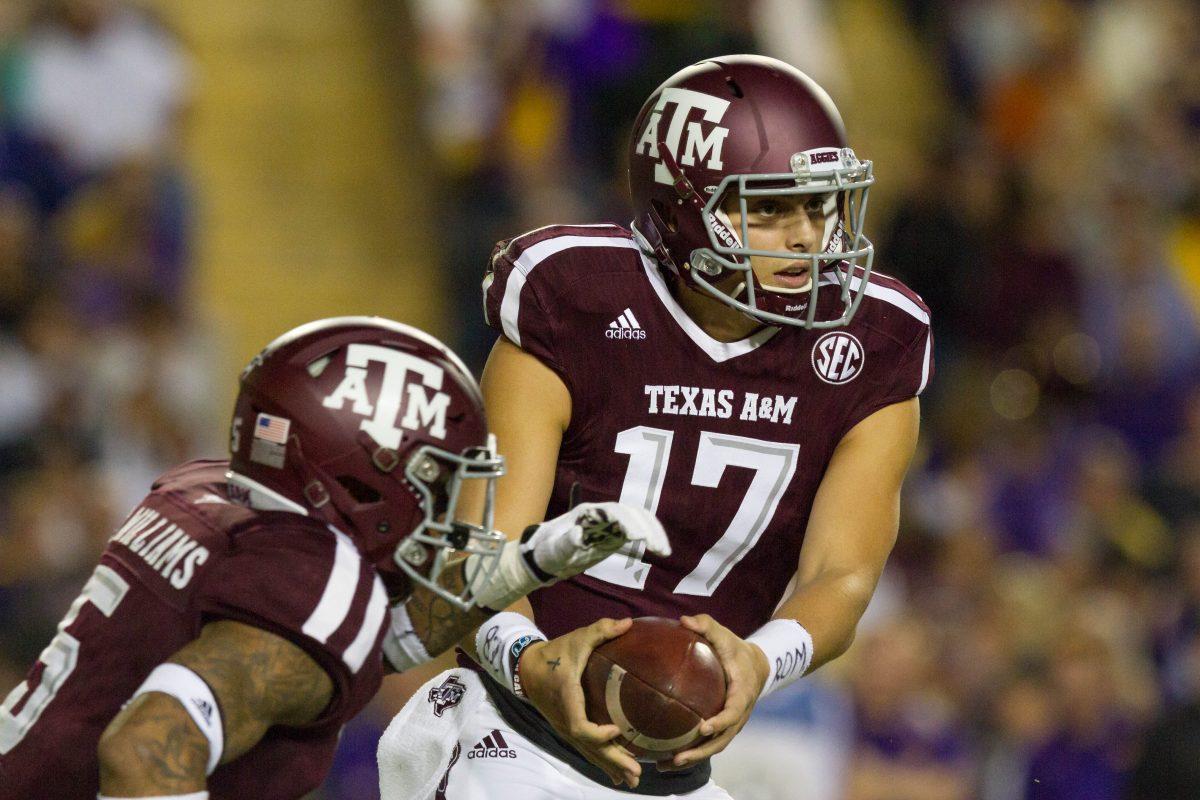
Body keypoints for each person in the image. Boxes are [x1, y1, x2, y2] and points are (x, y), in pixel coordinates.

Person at [379, 54, 933, 799]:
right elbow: (475, 559)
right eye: (768, 208)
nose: (807, 236)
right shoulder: (575, 299)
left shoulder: (872, 342)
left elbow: (844, 577)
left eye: (819, 205)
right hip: (506, 732)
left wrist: (759, 663)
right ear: (683, 208)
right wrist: (532, 664)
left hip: (677, 774)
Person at [0, 316, 669, 800]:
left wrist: (531, 562)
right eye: (433, 479)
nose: (442, 507)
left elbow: (361, 645)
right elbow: (144, 751)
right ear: (358, 476)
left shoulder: (205, 490)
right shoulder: (315, 574)